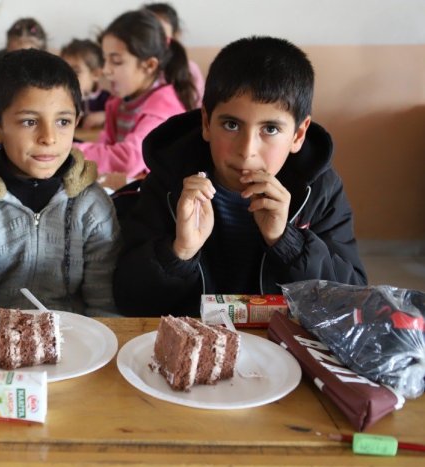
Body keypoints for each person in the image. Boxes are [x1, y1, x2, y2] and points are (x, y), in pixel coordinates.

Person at [114, 36, 368, 317]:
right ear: (207, 123)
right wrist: (179, 251)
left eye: (270, 129)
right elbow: (129, 300)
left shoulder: (319, 189)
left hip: (280, 348)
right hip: (192, 346)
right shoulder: (170, 181)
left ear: (298, 134)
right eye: (231, 125)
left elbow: (350, 304)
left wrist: (287, 242)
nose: (247, 151)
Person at [0, 49, 120, 316]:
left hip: (75, 342)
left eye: (63, 121)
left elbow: (105, 307)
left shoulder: (92, 205)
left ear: (77, 122)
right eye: (30, 121)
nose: (49, 137)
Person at [75, 9, 196, 178]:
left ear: (149, 65)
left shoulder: (162, 109)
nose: (106, 70)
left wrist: (72, 152)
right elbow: (105, 145)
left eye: (116, 61)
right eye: (105, 60)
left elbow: (128, 160)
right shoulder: (119, 103)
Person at [143, 2, 205, 107]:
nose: (153, 42)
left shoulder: (189, 69)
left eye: (161, 36)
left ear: (175, 36)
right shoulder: (136, 69)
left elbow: (199, 107)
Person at [60, 38, 110, 129]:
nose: (68, 77)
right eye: (64, 70)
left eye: (76, 72)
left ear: (96, 74)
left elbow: (121, 117)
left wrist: (105, 116)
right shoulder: (59, 98)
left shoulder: (107, 99)